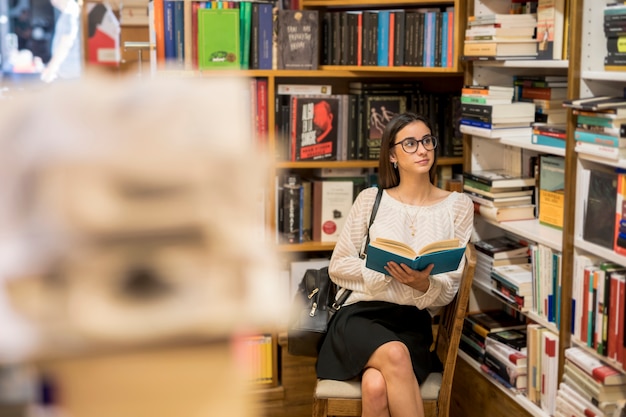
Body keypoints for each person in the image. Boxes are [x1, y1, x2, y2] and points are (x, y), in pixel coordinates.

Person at [316, 112, 474, 417]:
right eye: (411, 143)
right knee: (395, 354)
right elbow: (338, 266)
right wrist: (383, 274)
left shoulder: (458, 205)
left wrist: (422, 284)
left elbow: (449, 288)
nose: (423, 149)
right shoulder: (370, 199)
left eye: (427, 141)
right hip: (359, 316)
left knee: (375, 386)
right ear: (392, 155)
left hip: (412, 322)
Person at [41, 0, 81, 83]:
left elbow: (66, 43)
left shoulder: (70, 13)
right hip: (69, 71)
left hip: (70, 72)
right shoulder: (68, 13)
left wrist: (51, 68)